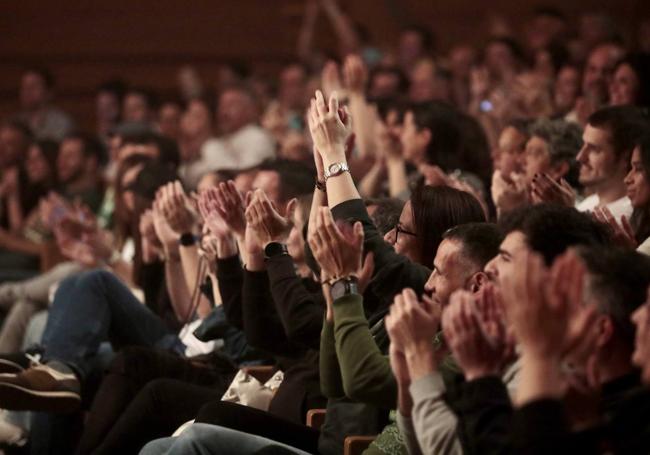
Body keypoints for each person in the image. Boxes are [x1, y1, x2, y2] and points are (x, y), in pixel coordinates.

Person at [575, 106, 647, 221]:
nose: (580, 157)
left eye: (594, 149)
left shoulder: (626, 218)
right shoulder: (589, 203)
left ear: (624, 158)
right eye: (583, 145)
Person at [202, 86, 275, 171]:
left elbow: (247, 175)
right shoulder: (221, 139)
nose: (223, 112)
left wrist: (211, 148)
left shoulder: (257, 137)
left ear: (250, 109)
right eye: (221, 106)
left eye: (231, 105)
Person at [15, 68, 74, 141]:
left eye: (33, 87)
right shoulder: (16, 122)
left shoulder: (62, 124)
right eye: (24, 87)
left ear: (49, 92)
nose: (27, 92)